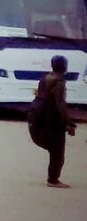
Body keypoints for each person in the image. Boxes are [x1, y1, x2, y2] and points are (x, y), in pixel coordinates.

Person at [28, 54, 77, 188]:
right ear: (65, 67)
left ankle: (53, 178)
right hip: (53, 121)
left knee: (54, 150)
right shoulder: (59, 82)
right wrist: (69, 123)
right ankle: (53, 180)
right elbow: (60, 104)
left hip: (40, 118)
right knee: (57, 153)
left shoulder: (45, 78)